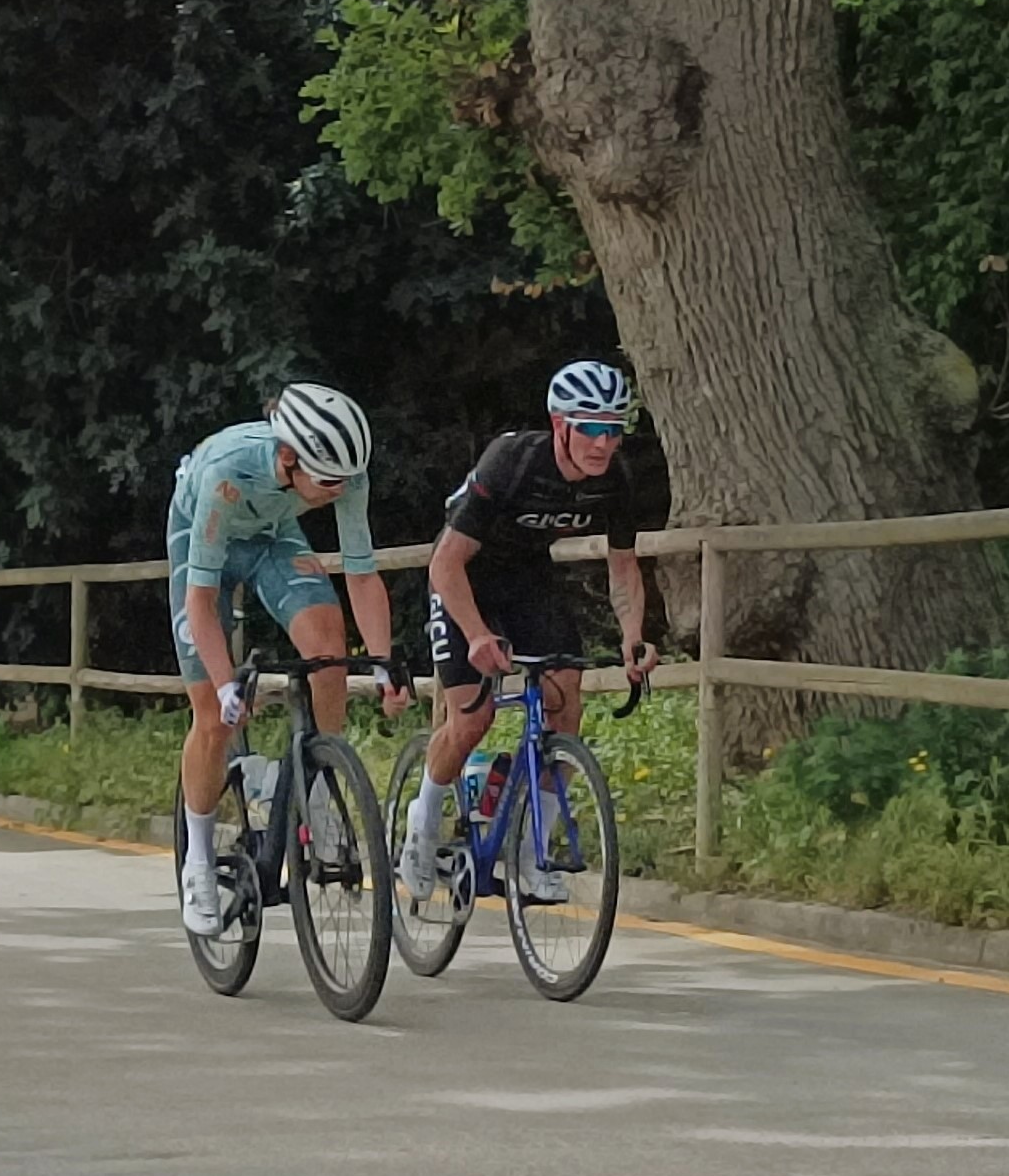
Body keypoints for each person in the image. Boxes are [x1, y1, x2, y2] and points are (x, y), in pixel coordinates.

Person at [402, 361, 657, 902]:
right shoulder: (512, 461)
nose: (604, 442)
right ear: (560, 424)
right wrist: (475, 636)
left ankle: (527, 844)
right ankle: (422, 818)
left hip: (525, 576)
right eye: (591, 427)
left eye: (615, 429)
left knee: (566, 700)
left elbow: (623, 566)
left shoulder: (614, 478)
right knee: (474, 717)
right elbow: (444, 565)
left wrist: (633, 635)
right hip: (463, 575)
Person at [165, 383, 413, 937]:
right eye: (328, 482)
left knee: (328, 642)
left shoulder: (342, 470)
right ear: (287, 458)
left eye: (348, 480)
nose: (339, 490)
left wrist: (380, 663)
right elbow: (200, 602)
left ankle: (316, 787)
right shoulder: (225, 474)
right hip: (204, 540)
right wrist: (228, 687)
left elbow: (362, 572)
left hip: (273, 536)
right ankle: (198, 862)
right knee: (210, 714)